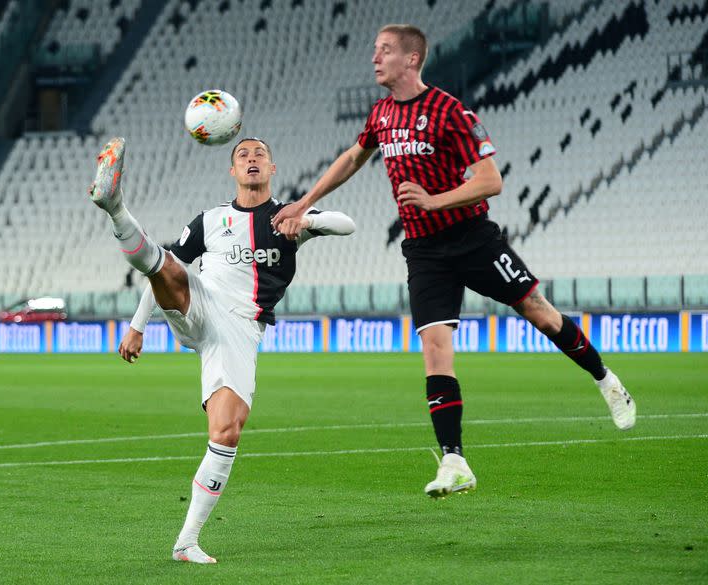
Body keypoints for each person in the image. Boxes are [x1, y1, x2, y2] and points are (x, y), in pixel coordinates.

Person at [273, 24, 636, 498]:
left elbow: (490, 180)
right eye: (374, 49)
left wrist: (434, 200)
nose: (375, 59)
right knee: (435, 350)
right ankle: (454, 461)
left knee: (540, 314)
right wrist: (304, 202)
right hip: (424, 252)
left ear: (412, 59)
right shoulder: (381, 113)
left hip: (473, 239)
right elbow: (353, 157)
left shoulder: (449, 111)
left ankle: (607, 381)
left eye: (384, 51)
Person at [89, 136, 355, 563]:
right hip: (202, 300)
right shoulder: (210, 220)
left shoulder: (288, 218)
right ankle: (115, 206)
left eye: (259, 155)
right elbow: (166, 268)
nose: (251, 160)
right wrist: (138, 326)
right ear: (232, 171)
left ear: (272, 168)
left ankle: (185, 542)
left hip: (239, 330)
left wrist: (303, 219)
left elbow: (347, 224)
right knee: (165, 264)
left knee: (226, 432)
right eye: (242, 155)